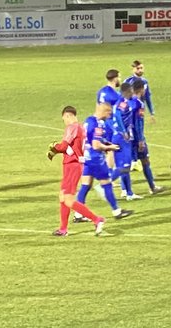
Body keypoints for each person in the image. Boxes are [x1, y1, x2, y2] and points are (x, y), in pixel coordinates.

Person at [48, 106, 106, 237]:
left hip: (73, 166)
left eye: (64, 119)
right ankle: (63, 229)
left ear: (68, 115)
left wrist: (53, 146)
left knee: (68, 199)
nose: (64, 122)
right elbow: (70, 148)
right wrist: (56, 151)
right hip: (74, 164)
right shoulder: (81, 128)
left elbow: (63, 146)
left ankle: (97, 219)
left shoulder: (72, 127)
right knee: (62, 196)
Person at [76, 102, 133, 220]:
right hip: (96, 159)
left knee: (86, 185)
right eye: (109, 113)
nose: (109, 116)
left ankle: (78, 213)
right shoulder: (97, 124)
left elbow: (92, 139)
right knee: (106, 184)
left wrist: (107, 143)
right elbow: (96, 145)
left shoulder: (88, 120)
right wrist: (109, 148)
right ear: (104, 111)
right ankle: (116, 211)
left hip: (87, 158)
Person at [129, 80, 164, 195]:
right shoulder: (139, 104)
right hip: (137, 138)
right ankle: (152, 187)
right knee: (144, 161)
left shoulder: (128, 101)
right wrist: (140, 140)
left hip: (128, 137)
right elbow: (138, 124)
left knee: (126, 164)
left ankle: (126, 191)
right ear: (141, 89)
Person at [110, 82, 138, 200]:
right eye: (131, 90)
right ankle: (105, 183)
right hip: (121, 138)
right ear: (126, 91)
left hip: (121, 137)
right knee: (125, 166)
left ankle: (128, 193)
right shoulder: (122, 103)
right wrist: (123, 131)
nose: (133, 92)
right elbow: (117, 116)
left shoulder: (125, 101)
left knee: (124, 166)